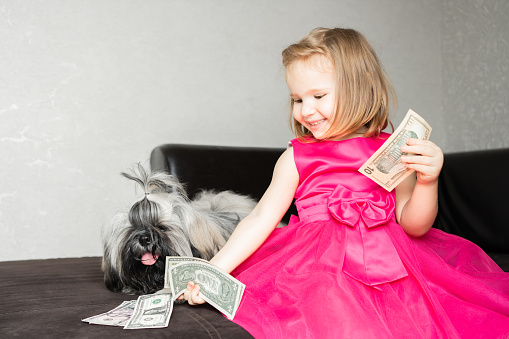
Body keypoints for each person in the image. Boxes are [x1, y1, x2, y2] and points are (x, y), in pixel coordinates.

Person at [179, 27, 509, 338]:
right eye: (297, 99)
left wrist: (428, 181)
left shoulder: (392, 150)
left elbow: (414, 225)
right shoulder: (296, 157)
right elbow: (261, 218)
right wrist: (214, 269)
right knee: (331, 312)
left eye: (318, 95)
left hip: (396, 266)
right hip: (318, 269)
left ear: (359, 88)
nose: (306, 110)